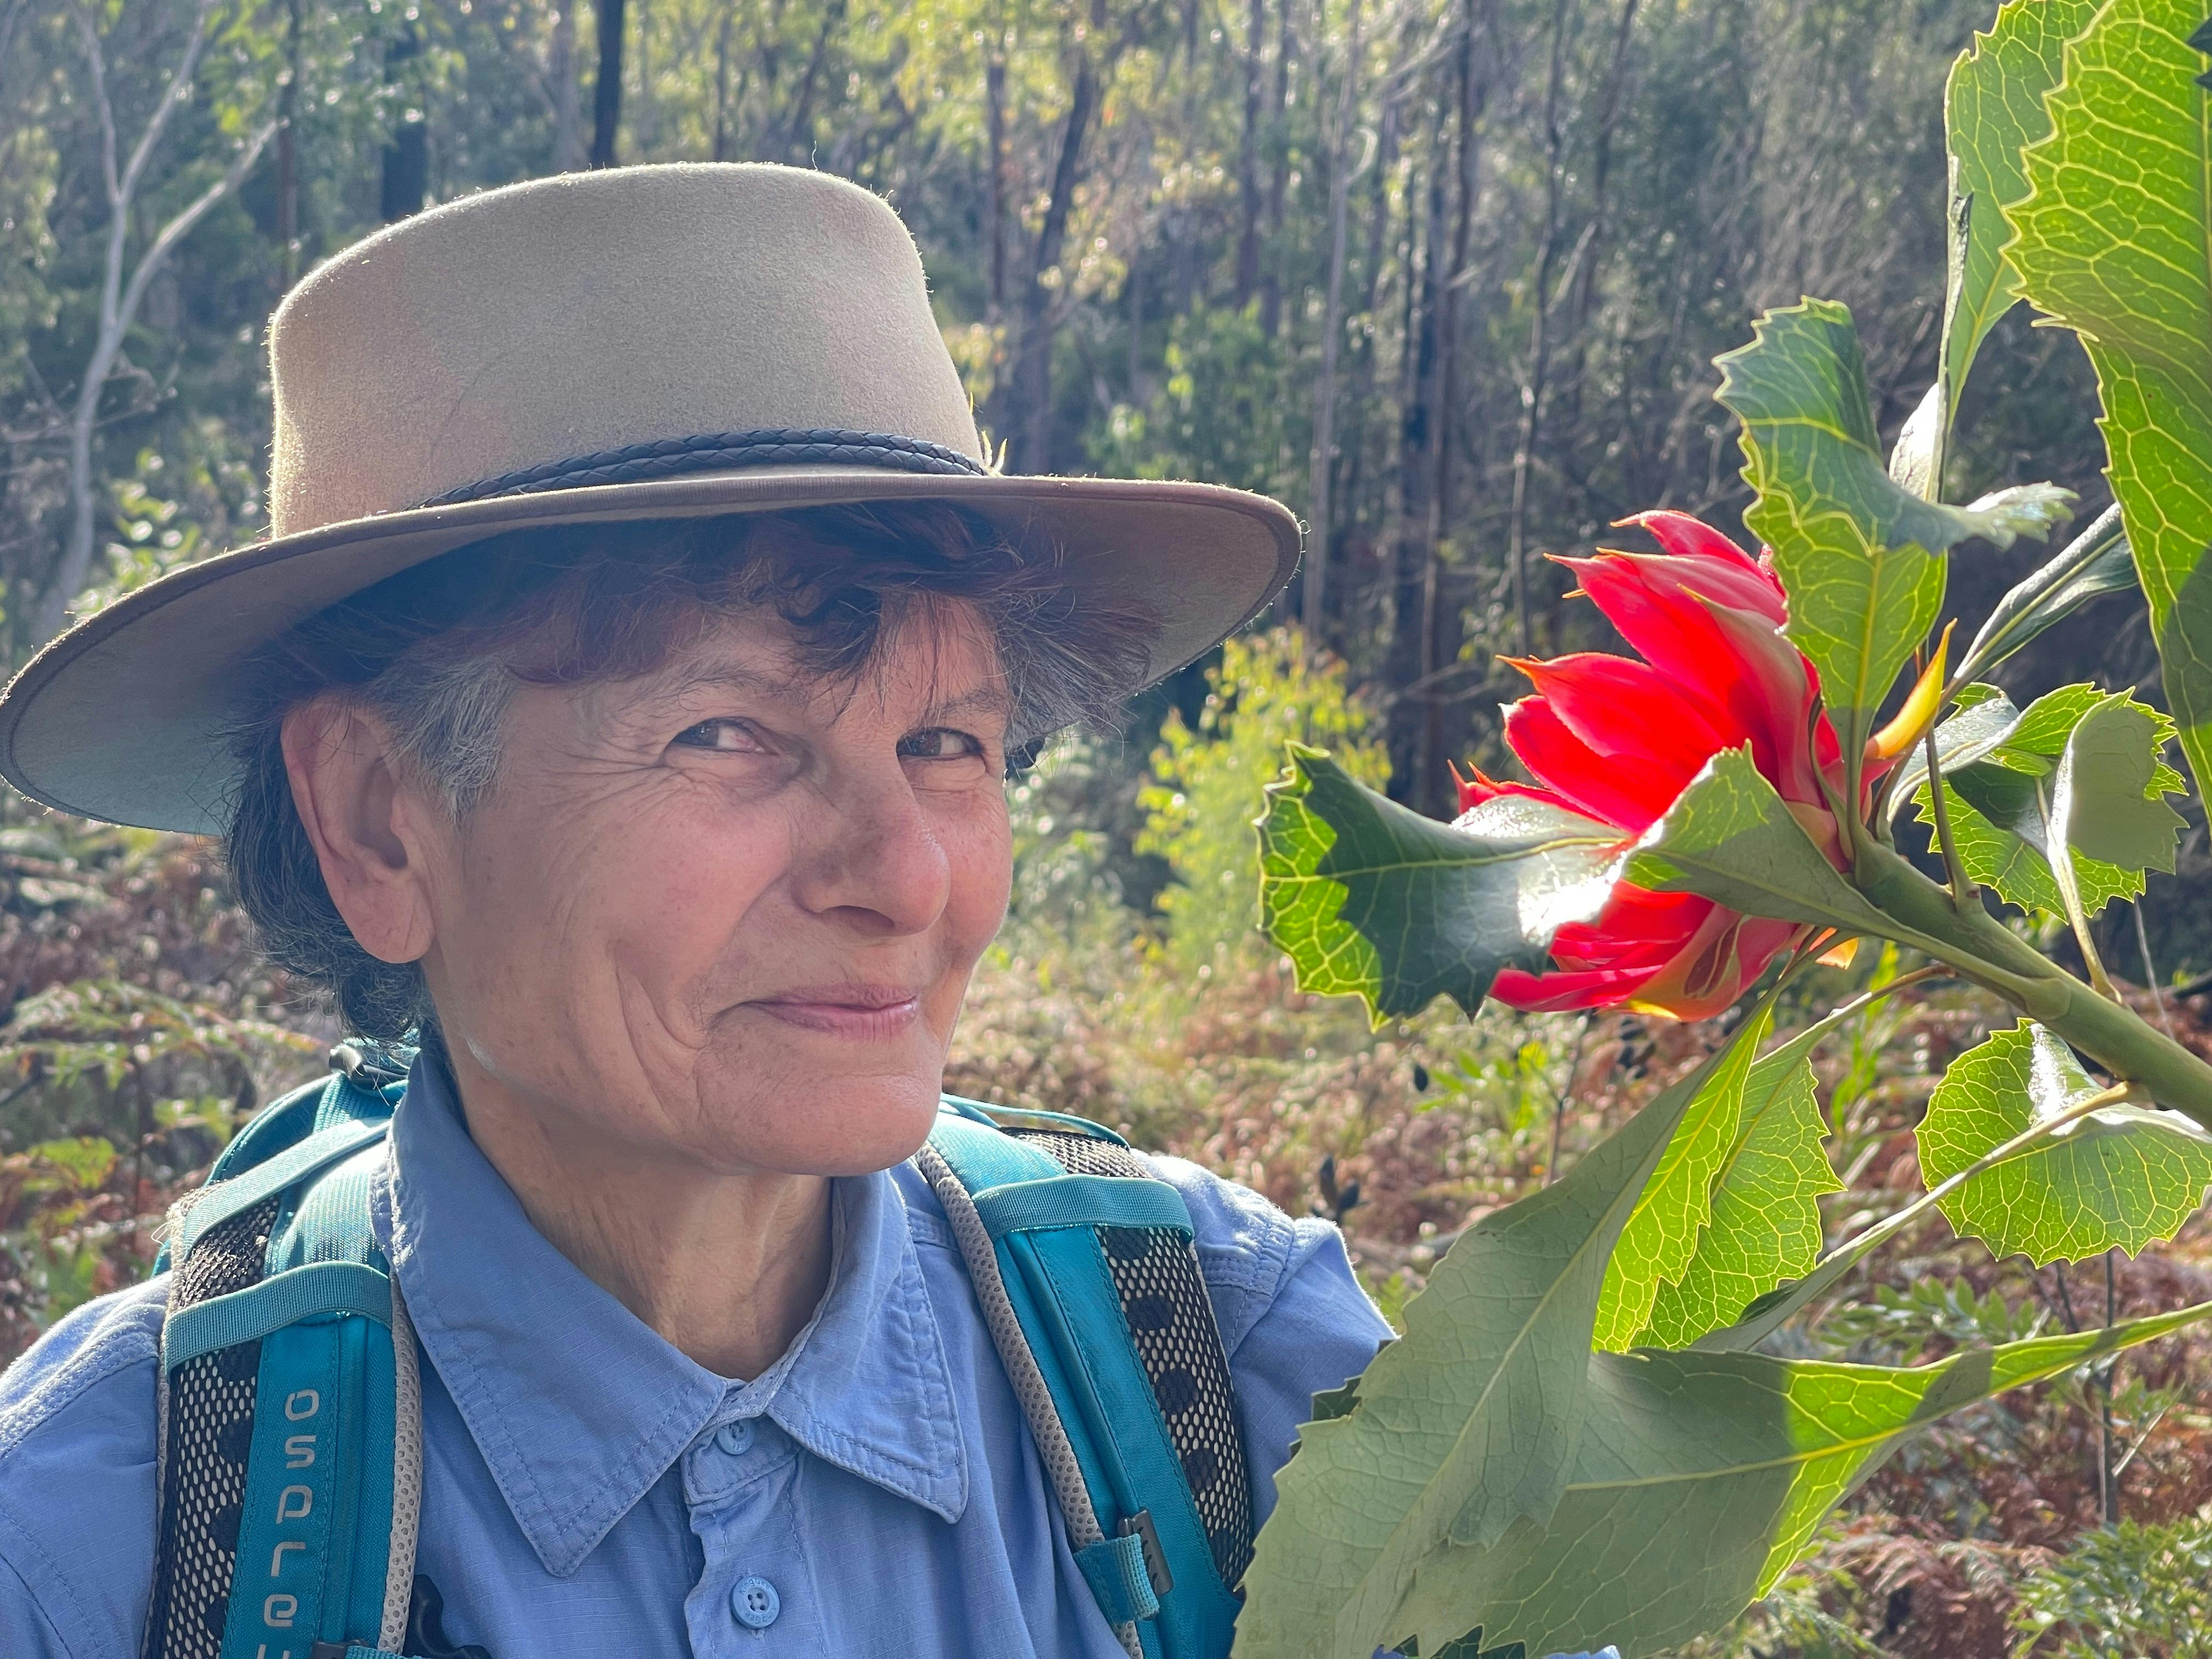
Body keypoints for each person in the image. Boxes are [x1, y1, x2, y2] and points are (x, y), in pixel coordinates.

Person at [0, 163, 1398, 1658]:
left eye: (947, 745)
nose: (909, 879)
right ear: (377, 821)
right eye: (726, 735)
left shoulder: (1230, 1373)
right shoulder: (104, 1545)